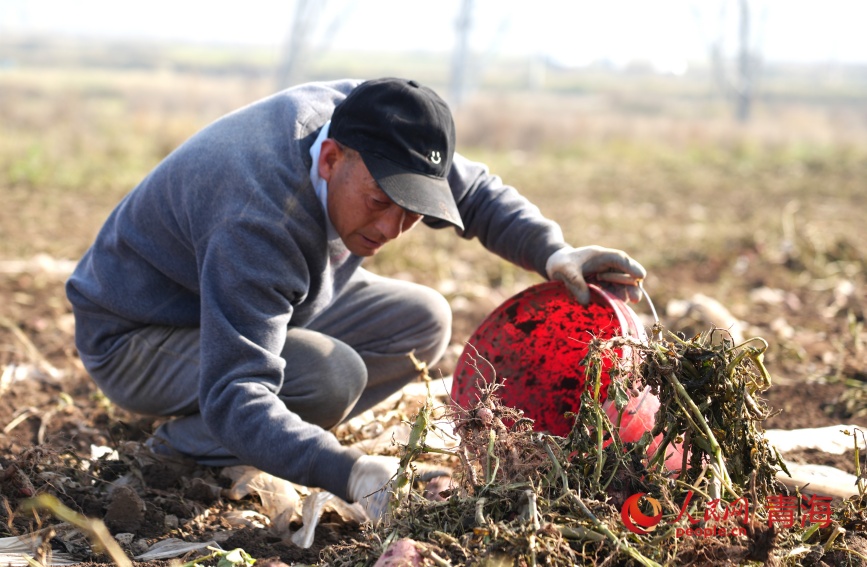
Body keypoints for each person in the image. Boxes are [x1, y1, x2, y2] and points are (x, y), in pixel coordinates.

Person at [66, 77, 645, 521]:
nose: (392, 229)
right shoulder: (259, 219)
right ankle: (181, 445)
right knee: (328, 377)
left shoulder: (374, 117)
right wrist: (349, 472)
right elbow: (236, 388)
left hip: (258, 296)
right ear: (330, 159)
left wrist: (553, 252)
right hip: (135, 334)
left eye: (414, 213)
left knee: (422, 320)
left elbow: (476, 193)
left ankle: (265, 435)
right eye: (379, 202)